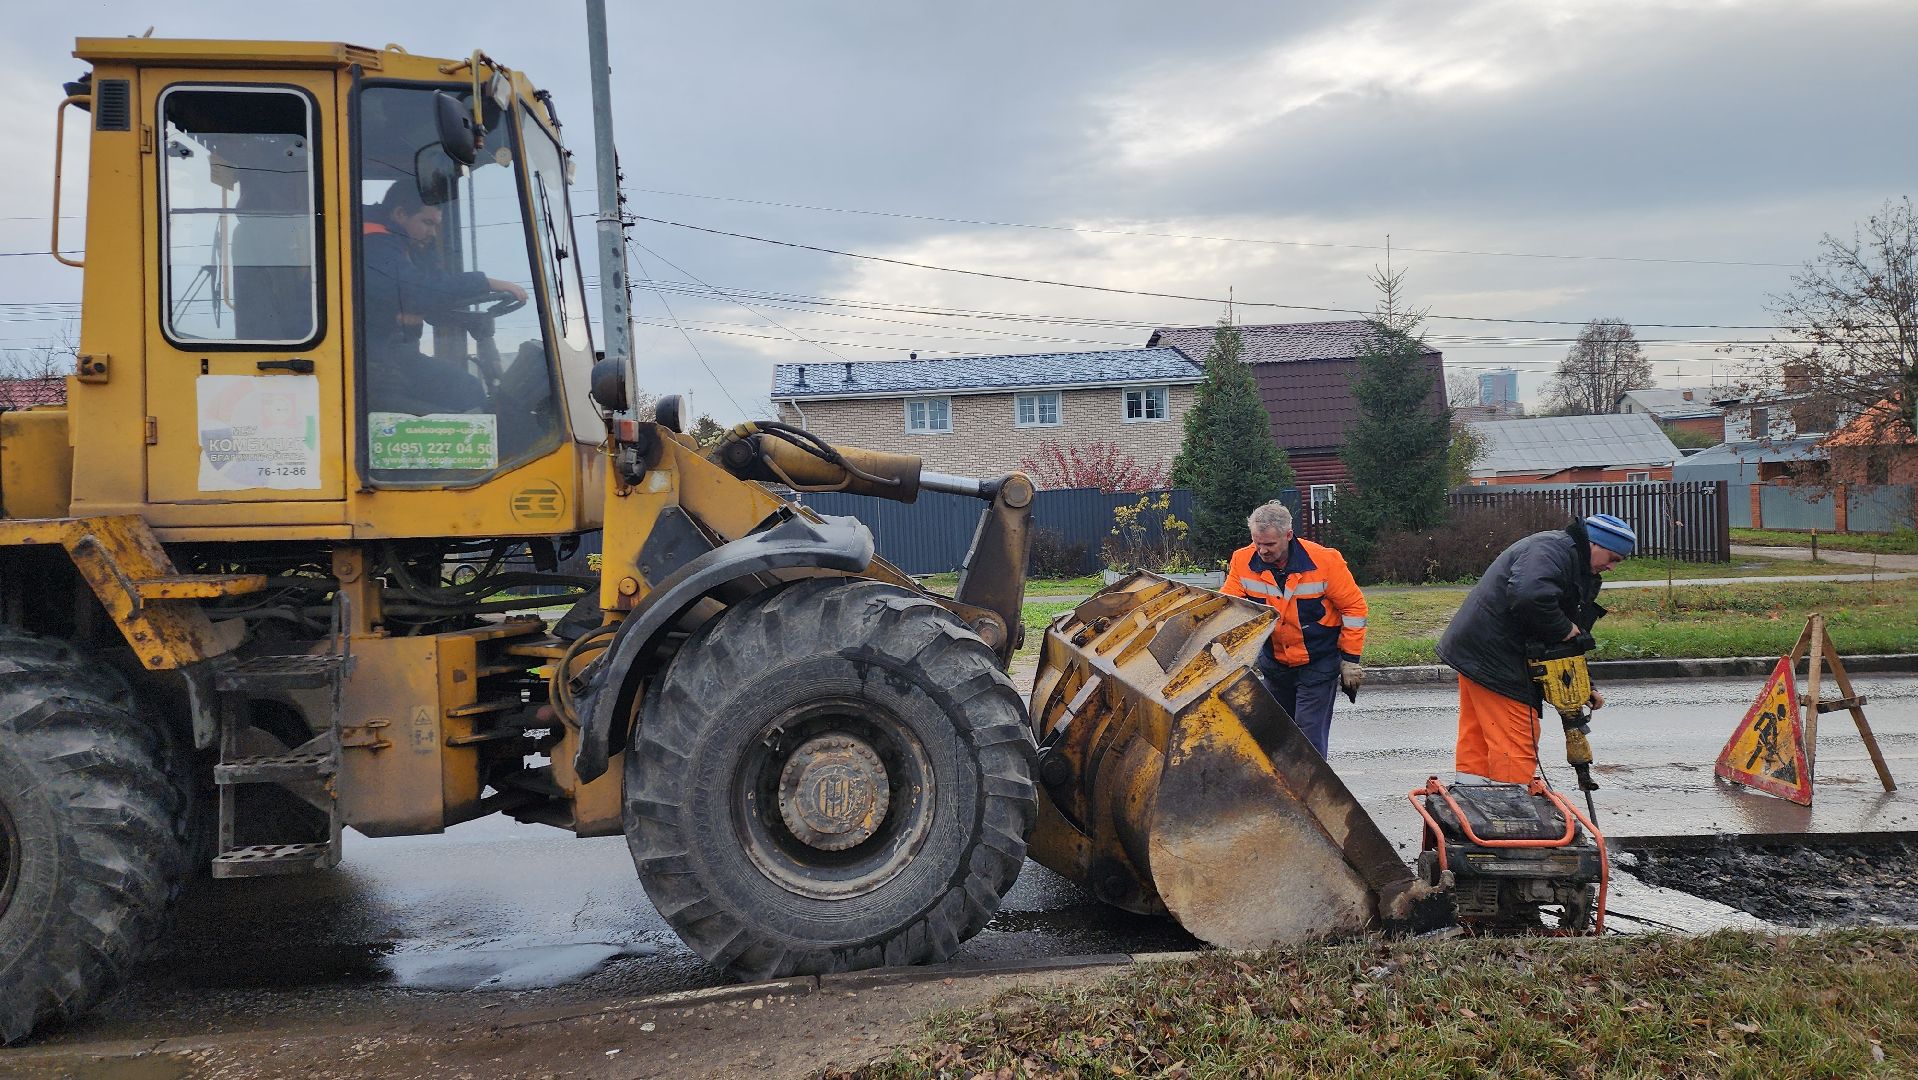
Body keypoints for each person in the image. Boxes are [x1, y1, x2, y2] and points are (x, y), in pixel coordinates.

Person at [1436, 512, 1636, 785]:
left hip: (1479, 653)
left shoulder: (1575, 566)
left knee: (1479, 737)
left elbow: (1571, 638)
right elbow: (1530, 597)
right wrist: (1563, 628)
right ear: (1595, 544)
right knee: (1517, 741)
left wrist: (1584, 683)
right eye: (1613, 559)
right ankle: (1512, 815)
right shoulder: (1552, 551)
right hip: (1499, 660)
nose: (1612, 567)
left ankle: (1473, 800)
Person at [361, 183, 527, 415]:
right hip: (369, 364)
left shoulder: (404, 245)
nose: (433, 233)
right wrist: (486, 282)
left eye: (436, 225)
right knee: (460, 400)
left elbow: (433, 288)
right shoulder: (373, 243)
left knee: (466, 388)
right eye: (427, 223)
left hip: (394, 355)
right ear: (400, 214)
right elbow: (418, 292)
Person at [1219, 501, 1367, 758]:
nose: (1262, 550)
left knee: (1307, 739)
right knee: (1273, 732)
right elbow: (1229, 606)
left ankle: (1312, 793)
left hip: (1317, 663)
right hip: (1276, 664)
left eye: (1270, 544)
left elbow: (1354, 609)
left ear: (1288, 535)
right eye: (1257, 542)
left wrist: (1350, 660)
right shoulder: (1242, 560)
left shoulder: (1324, 561)